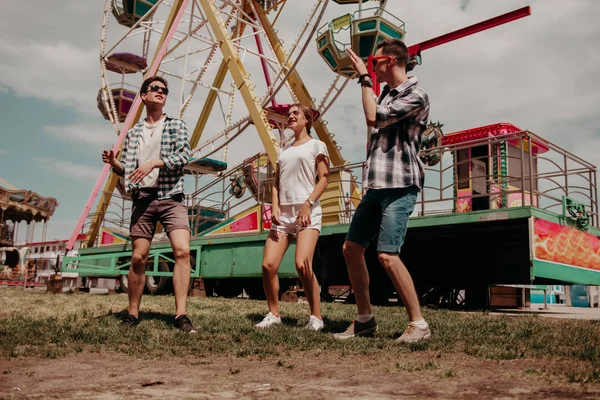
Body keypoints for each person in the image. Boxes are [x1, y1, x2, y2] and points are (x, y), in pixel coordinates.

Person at [333, 39, 431, 342]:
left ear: (389, 60)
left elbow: (373, 117)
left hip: (400, 185)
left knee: (387, 255)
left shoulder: (417, 94)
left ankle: (419, 324)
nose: (372, 66)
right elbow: (374, 112)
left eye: (375, 61)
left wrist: (363, 78)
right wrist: (368, 85)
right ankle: (365, 319)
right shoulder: (387, 93)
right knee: (351, 248)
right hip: (375, 184)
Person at [102, 76, 196, 333]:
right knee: (138, 257)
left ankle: (181, 315)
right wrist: (114, 164)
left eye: (164, 90)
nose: (160, 92)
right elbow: (130, 171)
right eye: (155, 89)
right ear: (143, 96)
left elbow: (184, 155)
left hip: (170, 196)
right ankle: (132, 314)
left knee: (182, 251)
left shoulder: (177, 125)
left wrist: (155, 162)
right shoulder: (133, 134)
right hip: (143, 198)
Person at [255, 104, 330, 331]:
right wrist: (275, 207)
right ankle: (274, 313)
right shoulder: (284, 151)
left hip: (306, 211)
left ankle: (316, 317)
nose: (290, 116)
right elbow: (277, 185)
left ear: (307, 119)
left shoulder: (317, 145)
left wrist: (308, 204)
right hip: (284, 215)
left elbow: (324, 178)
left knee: (302, 264)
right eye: (289, 114)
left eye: (296, 113)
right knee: (268, 265)